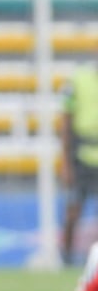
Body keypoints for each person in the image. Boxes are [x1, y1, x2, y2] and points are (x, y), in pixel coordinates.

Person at [60, 63, 98, 270]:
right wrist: (66, 161)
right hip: (81, 156)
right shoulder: (78, 80)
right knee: (73, 209)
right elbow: (66, 119)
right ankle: (65, 257)